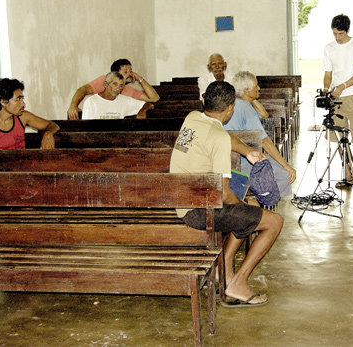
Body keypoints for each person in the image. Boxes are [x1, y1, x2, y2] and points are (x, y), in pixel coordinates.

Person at [170, 81, 283, 307]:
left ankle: (225, 268)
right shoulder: (217, 138)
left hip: (184, 200)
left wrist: (248, 151)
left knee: (247, 210)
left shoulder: (193, 117)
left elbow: (224, 136)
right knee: (273, 221)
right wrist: (242, 204)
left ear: (205, 101)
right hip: (199, 212)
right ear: (230, 107)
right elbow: (222, 195)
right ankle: (238, 283)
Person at [223, 71, 296, 197]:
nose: (259, 88)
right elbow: (265, 142)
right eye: (256, 86)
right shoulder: (245, 108)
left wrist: (251, 99)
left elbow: (264, 115)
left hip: (227, 162)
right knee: (286, 175)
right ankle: (264, 201)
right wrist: (286, 165)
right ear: (246, 91)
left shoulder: (233, 104)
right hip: (243, 164)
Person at [322, 14, 353, 193]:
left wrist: (343, 86)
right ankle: (348, 174)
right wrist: (326, 89)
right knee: (340, 139)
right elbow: (328, 73)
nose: (338, 37)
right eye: (335, 34)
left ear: (348, 30)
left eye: (341, 34)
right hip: (337, 99)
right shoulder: (329, 48)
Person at [67, 59, 159, 119]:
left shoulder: (128, 89)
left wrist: (140, 79)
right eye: (125, 72)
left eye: (131, 71)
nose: (130, 74)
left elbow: (154, 98)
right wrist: (73, 106)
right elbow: (83, 89)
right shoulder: (104, 80)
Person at [0, 78, 59, 149]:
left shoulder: (22, 117)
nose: (23, 104)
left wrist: (48, 133)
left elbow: (53, 125)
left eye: (22, 99)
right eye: (18, 99)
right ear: (3, 102)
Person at [82, 72, 153, 119]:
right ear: (105, 84)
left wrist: (143, 110)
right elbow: (86, 127)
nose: (118, 88)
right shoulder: (92, 102)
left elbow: (149, 105)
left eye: (121, 85)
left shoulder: (125, 101)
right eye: (115, 84)